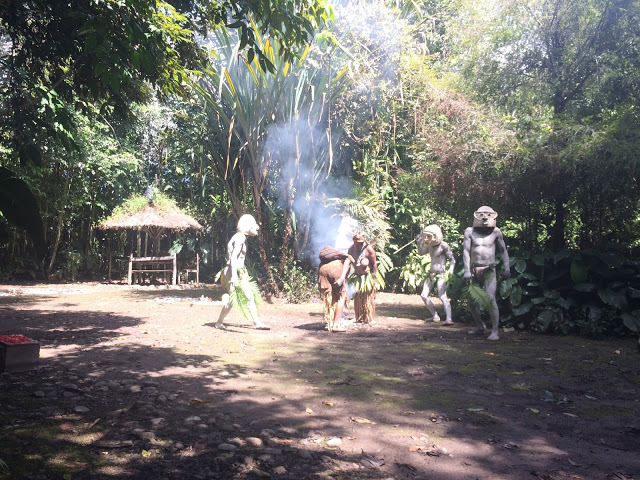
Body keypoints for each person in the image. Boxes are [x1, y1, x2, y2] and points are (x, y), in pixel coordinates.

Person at [215, 214, 270, 330]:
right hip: (232, 272)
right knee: (236, 299)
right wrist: (234, 276)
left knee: (243, 297)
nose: (257, 228)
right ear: (247, 225)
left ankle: (256, 322)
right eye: (254, 224)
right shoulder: (240, 237)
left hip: (238, 271)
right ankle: (220, 322)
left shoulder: (239, 237)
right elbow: (233, 258)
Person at [463, 206, 510, 340]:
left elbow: (503, 251)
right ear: (476, 216)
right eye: (481, 215)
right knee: (472, 301)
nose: (484, 218)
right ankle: (480, 327)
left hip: (490, 269)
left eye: (488, 215)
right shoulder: (469, 231)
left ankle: (495, 331)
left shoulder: (496, 232)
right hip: (474, 269)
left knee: (490, 298)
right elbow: (466, 251)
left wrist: (507, 268)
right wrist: (466, 270)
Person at [416, 224, 455, 324]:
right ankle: (435, 316)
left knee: (442, 296)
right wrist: (418, 243)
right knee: (424, 295)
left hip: (441, 274)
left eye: (429, 236)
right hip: (431, 274)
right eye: (425, 236)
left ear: (436, 236)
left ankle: (449, 318)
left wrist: (450, 269)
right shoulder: (429, 246)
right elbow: (421, 253)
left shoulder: (443, 245)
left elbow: (452, 259)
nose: (426, 238)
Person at [337, 231, 378, 324]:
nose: (358, 245)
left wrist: (374, 279)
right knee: (356, 297)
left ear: (363, 242)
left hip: (367, 277)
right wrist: (345, 277)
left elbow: (374, 264)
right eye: (356, 243)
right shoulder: (351, 249)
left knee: (370, 296)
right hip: (357, 276)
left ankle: (370, 318)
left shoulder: (369, 249)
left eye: (360, 244)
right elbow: (348, 263)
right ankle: (358, 317)